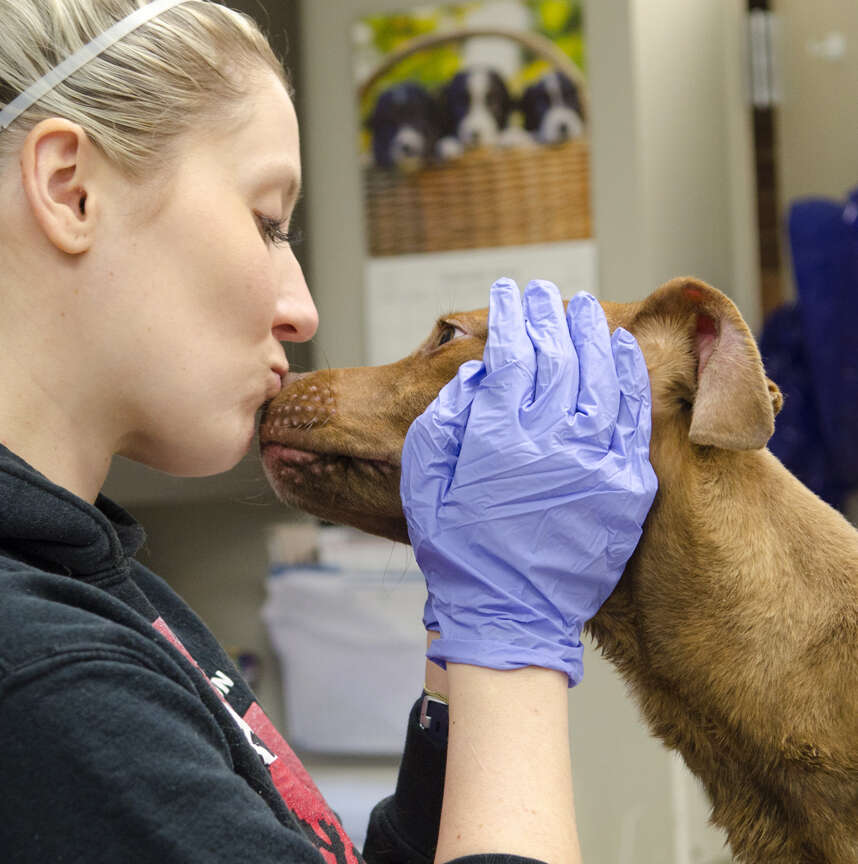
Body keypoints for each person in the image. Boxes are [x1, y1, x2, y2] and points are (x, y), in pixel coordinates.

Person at [0, 2, 657, 863]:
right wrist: (513, 642)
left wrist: (459, 651)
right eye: (268, 222)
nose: (301, 310)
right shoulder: (45, 672)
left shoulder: (112, 595)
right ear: (69, 187)